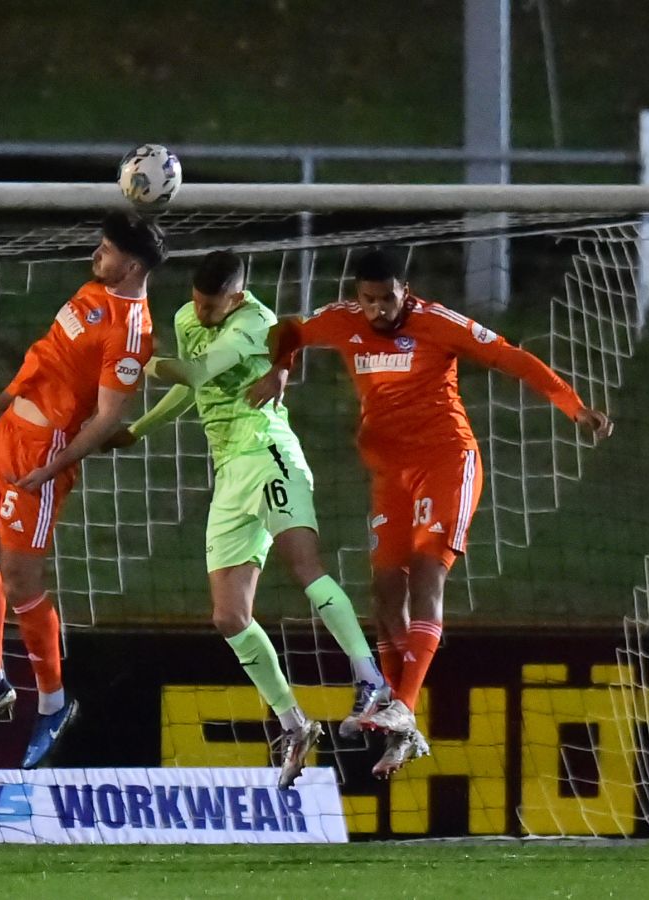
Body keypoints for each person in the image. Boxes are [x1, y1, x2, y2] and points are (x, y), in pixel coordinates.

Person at [250, 249, 613, 778]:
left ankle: (402, 705)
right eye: (368, 299)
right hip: (390, 476)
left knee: (426, 575)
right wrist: (282, 368)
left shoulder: (437, 323)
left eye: (387, 298)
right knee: (383, 594)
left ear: (406, 290)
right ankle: (402, 722)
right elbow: (288, 331)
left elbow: (512, 357)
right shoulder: (346, 321)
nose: (377, 310)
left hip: (447, 462)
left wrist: (574, 407)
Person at [103, 251, 390, 789]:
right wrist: (138, 430)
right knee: (229, 615)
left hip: (268, 451)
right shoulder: (191, 318)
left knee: (305, 569)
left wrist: (135, 357)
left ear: (235, 298)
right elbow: (190, 389)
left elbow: (195, 369)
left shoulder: (254, 323)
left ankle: (371, 678)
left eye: (213, 306)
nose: (201, 313)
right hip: (230, 472)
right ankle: (294, 723)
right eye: (196, 301)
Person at [0, 211, 166, 768]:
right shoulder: (90, 290)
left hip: (42, 455)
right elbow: (44, 357)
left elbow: (108, 418)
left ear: (132, 265)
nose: (98, 252)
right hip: (8, 436)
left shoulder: (133, 332)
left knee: (21, 580)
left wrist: (52, 467)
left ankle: (52, 701)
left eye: (108, 248)